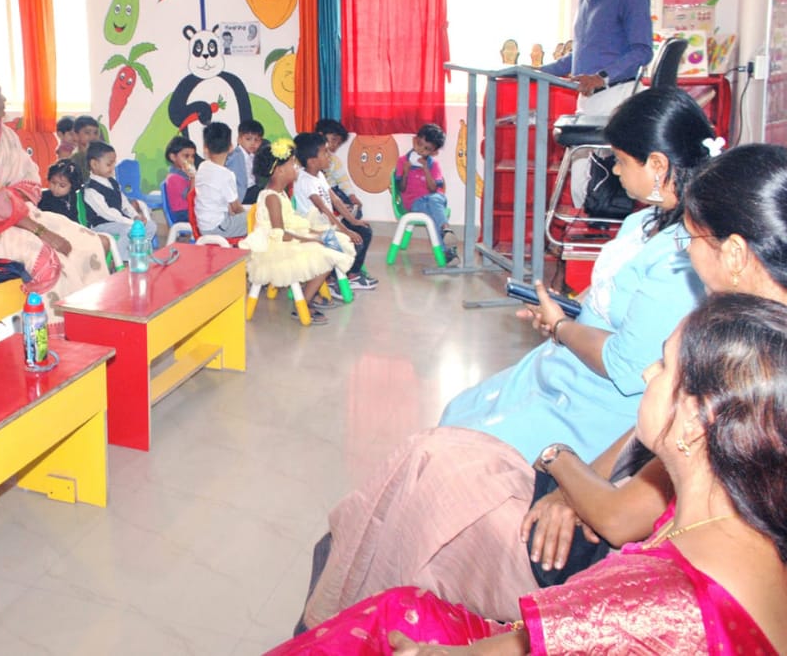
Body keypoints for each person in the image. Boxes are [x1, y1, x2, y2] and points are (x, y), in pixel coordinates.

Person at [299, 141, 787, 629]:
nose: (684, 250)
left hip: (596, 556)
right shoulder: (741, 340)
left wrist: (559, 462)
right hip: (597, 499)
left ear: (735, 253)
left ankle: (346, 622)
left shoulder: (739, 364)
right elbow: (641, 451)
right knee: (424, 463)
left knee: (416, 494)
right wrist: (573, 485)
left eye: (692, 239)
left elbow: (621, 514)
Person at [276, 294, 787, 655]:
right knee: (435, 462)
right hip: (561, 599)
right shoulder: (734, 508)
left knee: (388, 605)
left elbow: (575, 624)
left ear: (697, 419)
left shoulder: (655, 601)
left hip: (565, 590)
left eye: (664, 367)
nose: (647, 373)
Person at [440, 89, 713, 462]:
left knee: (461, 452)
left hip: (599, 403)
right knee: (457, 414)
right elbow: (607, 291)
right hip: (568, 368)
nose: (615, 171)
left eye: (620, 160)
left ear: (657, 164)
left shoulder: (682, 261)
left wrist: (562, 327)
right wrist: (564, 308)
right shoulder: (643, 221)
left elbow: (624, 366)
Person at [0, 72, 108, 310]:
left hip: (17, 215)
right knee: (45, 258)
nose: (3, 99)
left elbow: (29, 176)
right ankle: (50, 326)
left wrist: (13, 202)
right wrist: (41, 231)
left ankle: (89, 316)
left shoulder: (6, 135)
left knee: (89, 242)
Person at [541, 0, 653, 206]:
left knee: (605, 176)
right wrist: (537, 70)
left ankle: (600, 224)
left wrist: (601, 78)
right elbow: (578, 56)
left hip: (617, 94)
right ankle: (586, 225)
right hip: (589, 97)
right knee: (581, 173)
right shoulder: (586, 0)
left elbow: (642, 51)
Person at [239, 139, 353, 325]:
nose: (297, 168)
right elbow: (280, 234)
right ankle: (304, 303)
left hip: (287, 238)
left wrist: (314, 233)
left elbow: (291, 224)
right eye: (292, 164)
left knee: (333, 241)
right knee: (326, 254)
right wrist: (312, 239)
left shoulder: (281, 193)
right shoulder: (272, 198)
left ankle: (310, 295)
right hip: (275, 247)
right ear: (279, 170)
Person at [294, 132, 372, 290]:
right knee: (351, 243)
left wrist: (354, 221)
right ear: (312, 161)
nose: (329, 156)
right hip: (314, 228)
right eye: (325, 152)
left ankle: (351, 274)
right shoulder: (305, 180)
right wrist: (345, 231)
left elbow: (335, 200)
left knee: (364, 231)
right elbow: (324, 210)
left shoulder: (319, 175)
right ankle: (333, 280)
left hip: (327, 224)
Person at [314, 118, 375, 282]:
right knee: (354, 229)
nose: (334, 146)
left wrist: (352, 198)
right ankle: (337, 274)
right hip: (324, 203)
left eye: (338, 143)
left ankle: (352, 271)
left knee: (359, 220)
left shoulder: (334, 161)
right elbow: (320, 199)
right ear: (321, 135)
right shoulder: (308, 171)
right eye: (333, 140)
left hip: (334, 193)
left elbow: (343, 181)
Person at [394, 123, 457, 264]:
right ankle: (447, 241)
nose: (421, 150)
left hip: (435, 200)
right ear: (414, 140)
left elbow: (434, 189)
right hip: (415, 203)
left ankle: (446, 234)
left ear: (434, 152)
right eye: (419, 144)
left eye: (427, 149)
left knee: (434, 200)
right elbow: (401, 189)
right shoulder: (402, 161)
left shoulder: (433, 165)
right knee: (433, 216)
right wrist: (405, 172)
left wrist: (426, 169)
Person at [84, 140, 151, 259]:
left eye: (114, 163)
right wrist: (132, 222)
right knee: (129, 230)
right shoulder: (91, 190)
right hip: (103, 225)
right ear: (94, 164)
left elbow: (124, 203)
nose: (113, 168)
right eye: (109, 164)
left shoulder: (112, 182)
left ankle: (139, 253)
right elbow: (107, 213)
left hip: (119, 221)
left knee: (150, 226)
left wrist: (135, 216)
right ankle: (121, 260)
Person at [194, 122, 247, 238]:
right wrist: (246, 216)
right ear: (231, 147)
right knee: (259, 217)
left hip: (203, 226)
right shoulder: (226, 175)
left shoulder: (203, 166)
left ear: (205, 148)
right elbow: (236, 208)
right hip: (219, 227)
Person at [225, 119, 263, 204]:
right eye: (248, 139)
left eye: (256, 140)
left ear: (261, 141)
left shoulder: (254, 155)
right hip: (241, 194)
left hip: (252, 189)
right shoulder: (234, 155)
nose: (253, 143)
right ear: (239, 139)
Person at [161, 135, 196, 220]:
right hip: (183, 214)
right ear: (173, 157)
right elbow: (190, 198)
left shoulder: (185, 174)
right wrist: (193, 178)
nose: (190, 160)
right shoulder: (173, 178)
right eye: (186, 156)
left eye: (192, 156)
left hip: (190, 211)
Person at [68, 115, 101, 185]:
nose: (93, 136)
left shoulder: (101, 157)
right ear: (76, 135)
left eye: (95, 133)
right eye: (87, 132)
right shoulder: (74, 160)